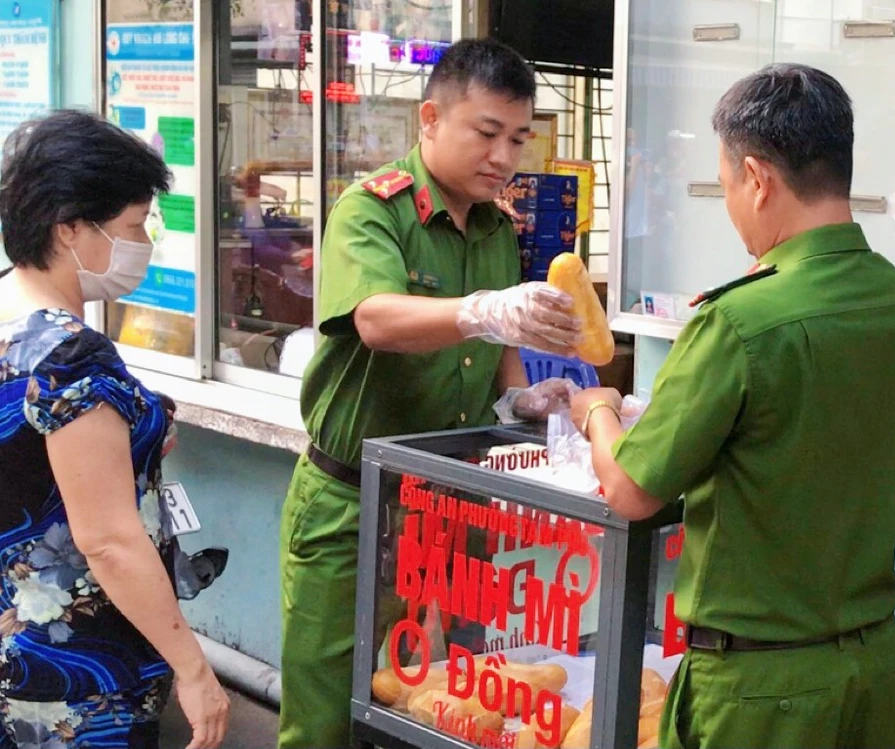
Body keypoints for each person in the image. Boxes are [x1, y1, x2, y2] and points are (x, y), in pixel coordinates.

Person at [571, 63, 895, 749]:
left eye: (728, 186)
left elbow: (629, 488)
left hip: (761, 695)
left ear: (758, 178)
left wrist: (597, 409)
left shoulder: (740, 322)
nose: (733, 206)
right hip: (874, 673)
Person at [279, 38, 580, 748]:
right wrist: (479, 307)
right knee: (325, 712)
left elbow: (500, 353)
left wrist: (521, 403)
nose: (503, 157)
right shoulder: (373, 209)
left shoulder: (498, 229)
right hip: (352, 504)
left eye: (517, 139)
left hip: (449, 509)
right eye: (486, 133)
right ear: (431, 120)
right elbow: (376, 318)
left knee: (442, 705)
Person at [0, 111, 230, 749]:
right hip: (80, 670)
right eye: (133, 227)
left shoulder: (12, 321)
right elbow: (107, 540)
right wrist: (193, 668)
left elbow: (25, 450)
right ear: (70, 227)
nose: (144, 243)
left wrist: (135, 430)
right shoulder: (72, 355)